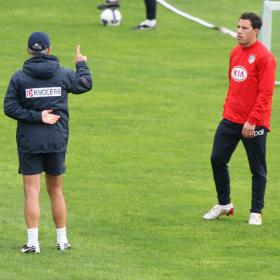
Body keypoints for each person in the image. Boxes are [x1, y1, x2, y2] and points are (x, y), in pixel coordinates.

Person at [4, 32, 93, 253]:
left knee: (31, 192)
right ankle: (62, 240)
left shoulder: (19, 78)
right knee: (56, 191)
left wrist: (36, 116)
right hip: (56, 141)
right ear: (49, 50)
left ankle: (33, 243)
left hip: (29, 142)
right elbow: (85, 84)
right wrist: (81, 64)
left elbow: (9, 108)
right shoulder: (62, 75)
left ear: (28, 51)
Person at [203, 12, 276, 225]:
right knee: (217, 158)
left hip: (254, 123)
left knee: (257, 168)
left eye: (244, 28)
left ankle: (256, 211)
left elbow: (265, 94)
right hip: (231, 119)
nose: (239, 32)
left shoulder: (264, 57)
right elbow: (234, 85)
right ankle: (224, 204)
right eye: (238, 27)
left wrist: (252, 120)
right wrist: (229, 111)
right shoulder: (235, 52)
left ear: (256, 31)